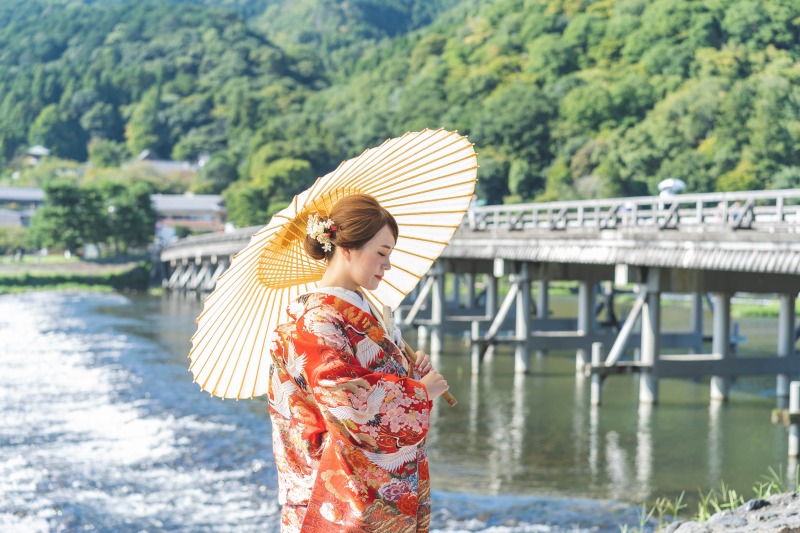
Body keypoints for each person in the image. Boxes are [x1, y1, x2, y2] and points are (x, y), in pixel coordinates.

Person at [267, 193, 449, 532]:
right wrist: (419, 392)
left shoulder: (361, 315)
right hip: (337, 497)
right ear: (346, 248)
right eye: (381, 253)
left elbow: (371, 381)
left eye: (390, 254)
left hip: (374, 491)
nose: (387, 264)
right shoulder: (316, 320)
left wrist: (410, 370)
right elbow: (347, 406)